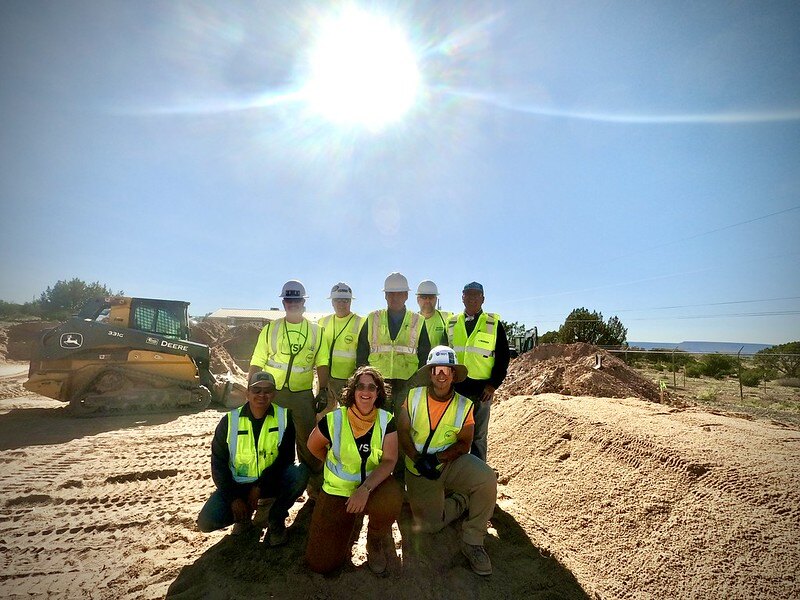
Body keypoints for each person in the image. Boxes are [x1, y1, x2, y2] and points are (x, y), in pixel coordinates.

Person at [397, 346, 497, 576]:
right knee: (429, 526)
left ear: (453, 375)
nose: (441, 375)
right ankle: (461, 500)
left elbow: (464, 443)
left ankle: (473, 539)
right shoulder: (413, 397)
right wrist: (417, 459)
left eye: (447, 370)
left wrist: (437, 459)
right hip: (419, 469)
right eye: (437, 370)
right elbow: (402, 431)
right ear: (430, 373)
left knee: (486, 478)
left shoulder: (464, 405)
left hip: (448, 463)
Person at [305, 366, 403, 575]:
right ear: (353, 390)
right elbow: (313, 446)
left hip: (372, 488)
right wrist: (332, 463)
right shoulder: (334, 419)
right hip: (337, 492)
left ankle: (375, 539)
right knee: (321, 564)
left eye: (371, 387)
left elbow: (389, 460)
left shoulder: (387, 421)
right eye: (360, 386)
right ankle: (349, 525)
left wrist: (365, 488)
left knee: (392, 495)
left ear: (378, 393)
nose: (365, 392)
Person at [197, 371, 309, 546]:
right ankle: (243, 519)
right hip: (239, 486)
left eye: (267, 390)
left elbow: (285, 460)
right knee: (207, 522)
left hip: (270, 483)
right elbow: (218, 465)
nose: (262, 395)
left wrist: (259, 487)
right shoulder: (229, 422)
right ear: (247, 393)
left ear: (274, 394)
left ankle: (275, 518)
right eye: (256, 390)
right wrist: (234, 498)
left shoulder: (284, 418)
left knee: (299, 473)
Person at [249, 279, 331, 494]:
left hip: (302, 395)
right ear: (284, 303)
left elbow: (322, 362)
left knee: (308, 442)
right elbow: (257, 360)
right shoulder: (271, 329)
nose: (292, 304)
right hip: (272, 394)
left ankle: (315, 491)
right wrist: (252, 390)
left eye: (297, 300)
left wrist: (322, 390)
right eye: (288, 300)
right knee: (270, 441)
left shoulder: (316, 331)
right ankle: (268, 491)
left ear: (303, 303)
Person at [446, 282, 510, 462]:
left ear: (483, 298)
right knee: (454, 433)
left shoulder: (493, 324)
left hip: (482, 391)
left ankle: (478, 476)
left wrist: (493, 385)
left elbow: (503, 357)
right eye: (468, 294)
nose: (472, 298)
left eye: (476, 295)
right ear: (462, 297)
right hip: (457, 390)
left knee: (479, 436)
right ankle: (456, 474)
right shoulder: (452, 323)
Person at [356, 272, 432, 413]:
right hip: (378, 382)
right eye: (390, 293)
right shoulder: (373, 318)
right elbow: (362, 351)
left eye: (399, 294)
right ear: (385, 295)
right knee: (379, 422)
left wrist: (418, 384)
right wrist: (364, 380)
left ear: (406, 296)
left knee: (404, 423)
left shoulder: (418, 320)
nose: (394, 297)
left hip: (408, 383)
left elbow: (424, 355)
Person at [319, 282, 365, 411]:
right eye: (337, 300)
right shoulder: (322, 322)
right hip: (326, 379)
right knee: (323, 416)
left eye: (345, 300)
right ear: (332, 302)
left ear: (350, 302)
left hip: (349, 380)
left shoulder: (361, 323)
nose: (341, 304)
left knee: (352, 413)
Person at [416, 279, 450, 347]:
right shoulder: (412, 320)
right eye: (424, 297)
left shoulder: (447, 318)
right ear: (418, 299)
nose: (427, 300)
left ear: (436, 299)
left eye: (431, 297)